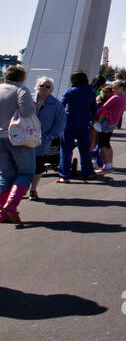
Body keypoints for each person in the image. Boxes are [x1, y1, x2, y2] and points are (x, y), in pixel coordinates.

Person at [0, 64, 38, 225]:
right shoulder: (21, 90)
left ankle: (2, 213)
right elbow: (27, 112)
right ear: (22, 77)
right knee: (26, 172)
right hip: (17, 138)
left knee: (5, 175)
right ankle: (11, 204)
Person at [58, 70, 98, 182]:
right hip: (84, 123)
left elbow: (61, 105)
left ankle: (64, 175)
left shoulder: (70, 91)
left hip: (69, 122)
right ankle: (87, 172)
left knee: (66, 149)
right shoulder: (90, 92)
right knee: (84, 149)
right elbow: (94, 109)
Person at [30, 76, 65, 200]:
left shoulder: (56, 104)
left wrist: (49, 136)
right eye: (42, 85)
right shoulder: (27, 99)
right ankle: (20, 189)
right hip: (24, 139)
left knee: (38, 166)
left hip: (42, 140)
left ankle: (33, 189)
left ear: (51, 90)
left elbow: (60, 123)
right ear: (36, 86)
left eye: (47, 86)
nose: (44, 88)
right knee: (22, 165)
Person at [93, 80, 126, 174]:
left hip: (106, 122)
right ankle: (110, 164)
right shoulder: (124, 98)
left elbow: (104, 107)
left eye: (115, 87)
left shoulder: (115, 98)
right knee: (107, 144)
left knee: (101, 145)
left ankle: (105, 166)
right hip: (113, 123)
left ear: (121, 88)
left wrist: (94, 115)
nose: (113, 90)